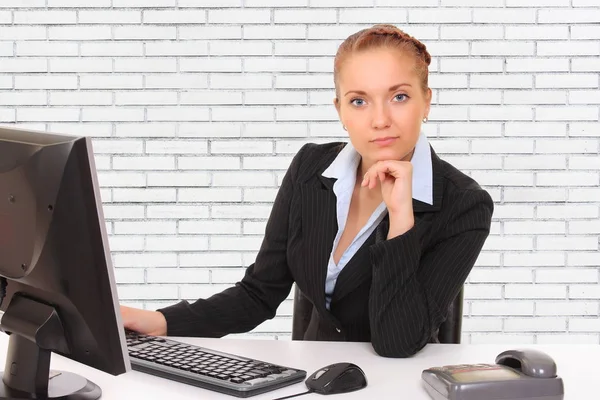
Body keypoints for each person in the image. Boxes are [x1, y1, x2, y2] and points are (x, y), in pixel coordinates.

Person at [121, 24, 494, 358]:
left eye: (399, 97)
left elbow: (398, 343)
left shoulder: (464, 205)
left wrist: (400, 220)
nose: (380, 119)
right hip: (312, 378)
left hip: (397, 386)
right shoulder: (310, 169)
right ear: (340, 111)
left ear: (426, 100)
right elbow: (258, 293)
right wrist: (160, 321)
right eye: (359, 101)